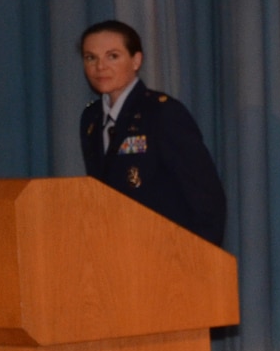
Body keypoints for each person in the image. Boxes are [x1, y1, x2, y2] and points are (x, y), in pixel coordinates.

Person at [77, 20, 226, 245]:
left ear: (136, 60)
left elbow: (206, 198)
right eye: (91, 58)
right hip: (116, 251)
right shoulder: (91, 119)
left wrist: (201, 262)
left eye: (113, 56)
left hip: (166, 251)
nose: (100, 67)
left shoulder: (162, 113)